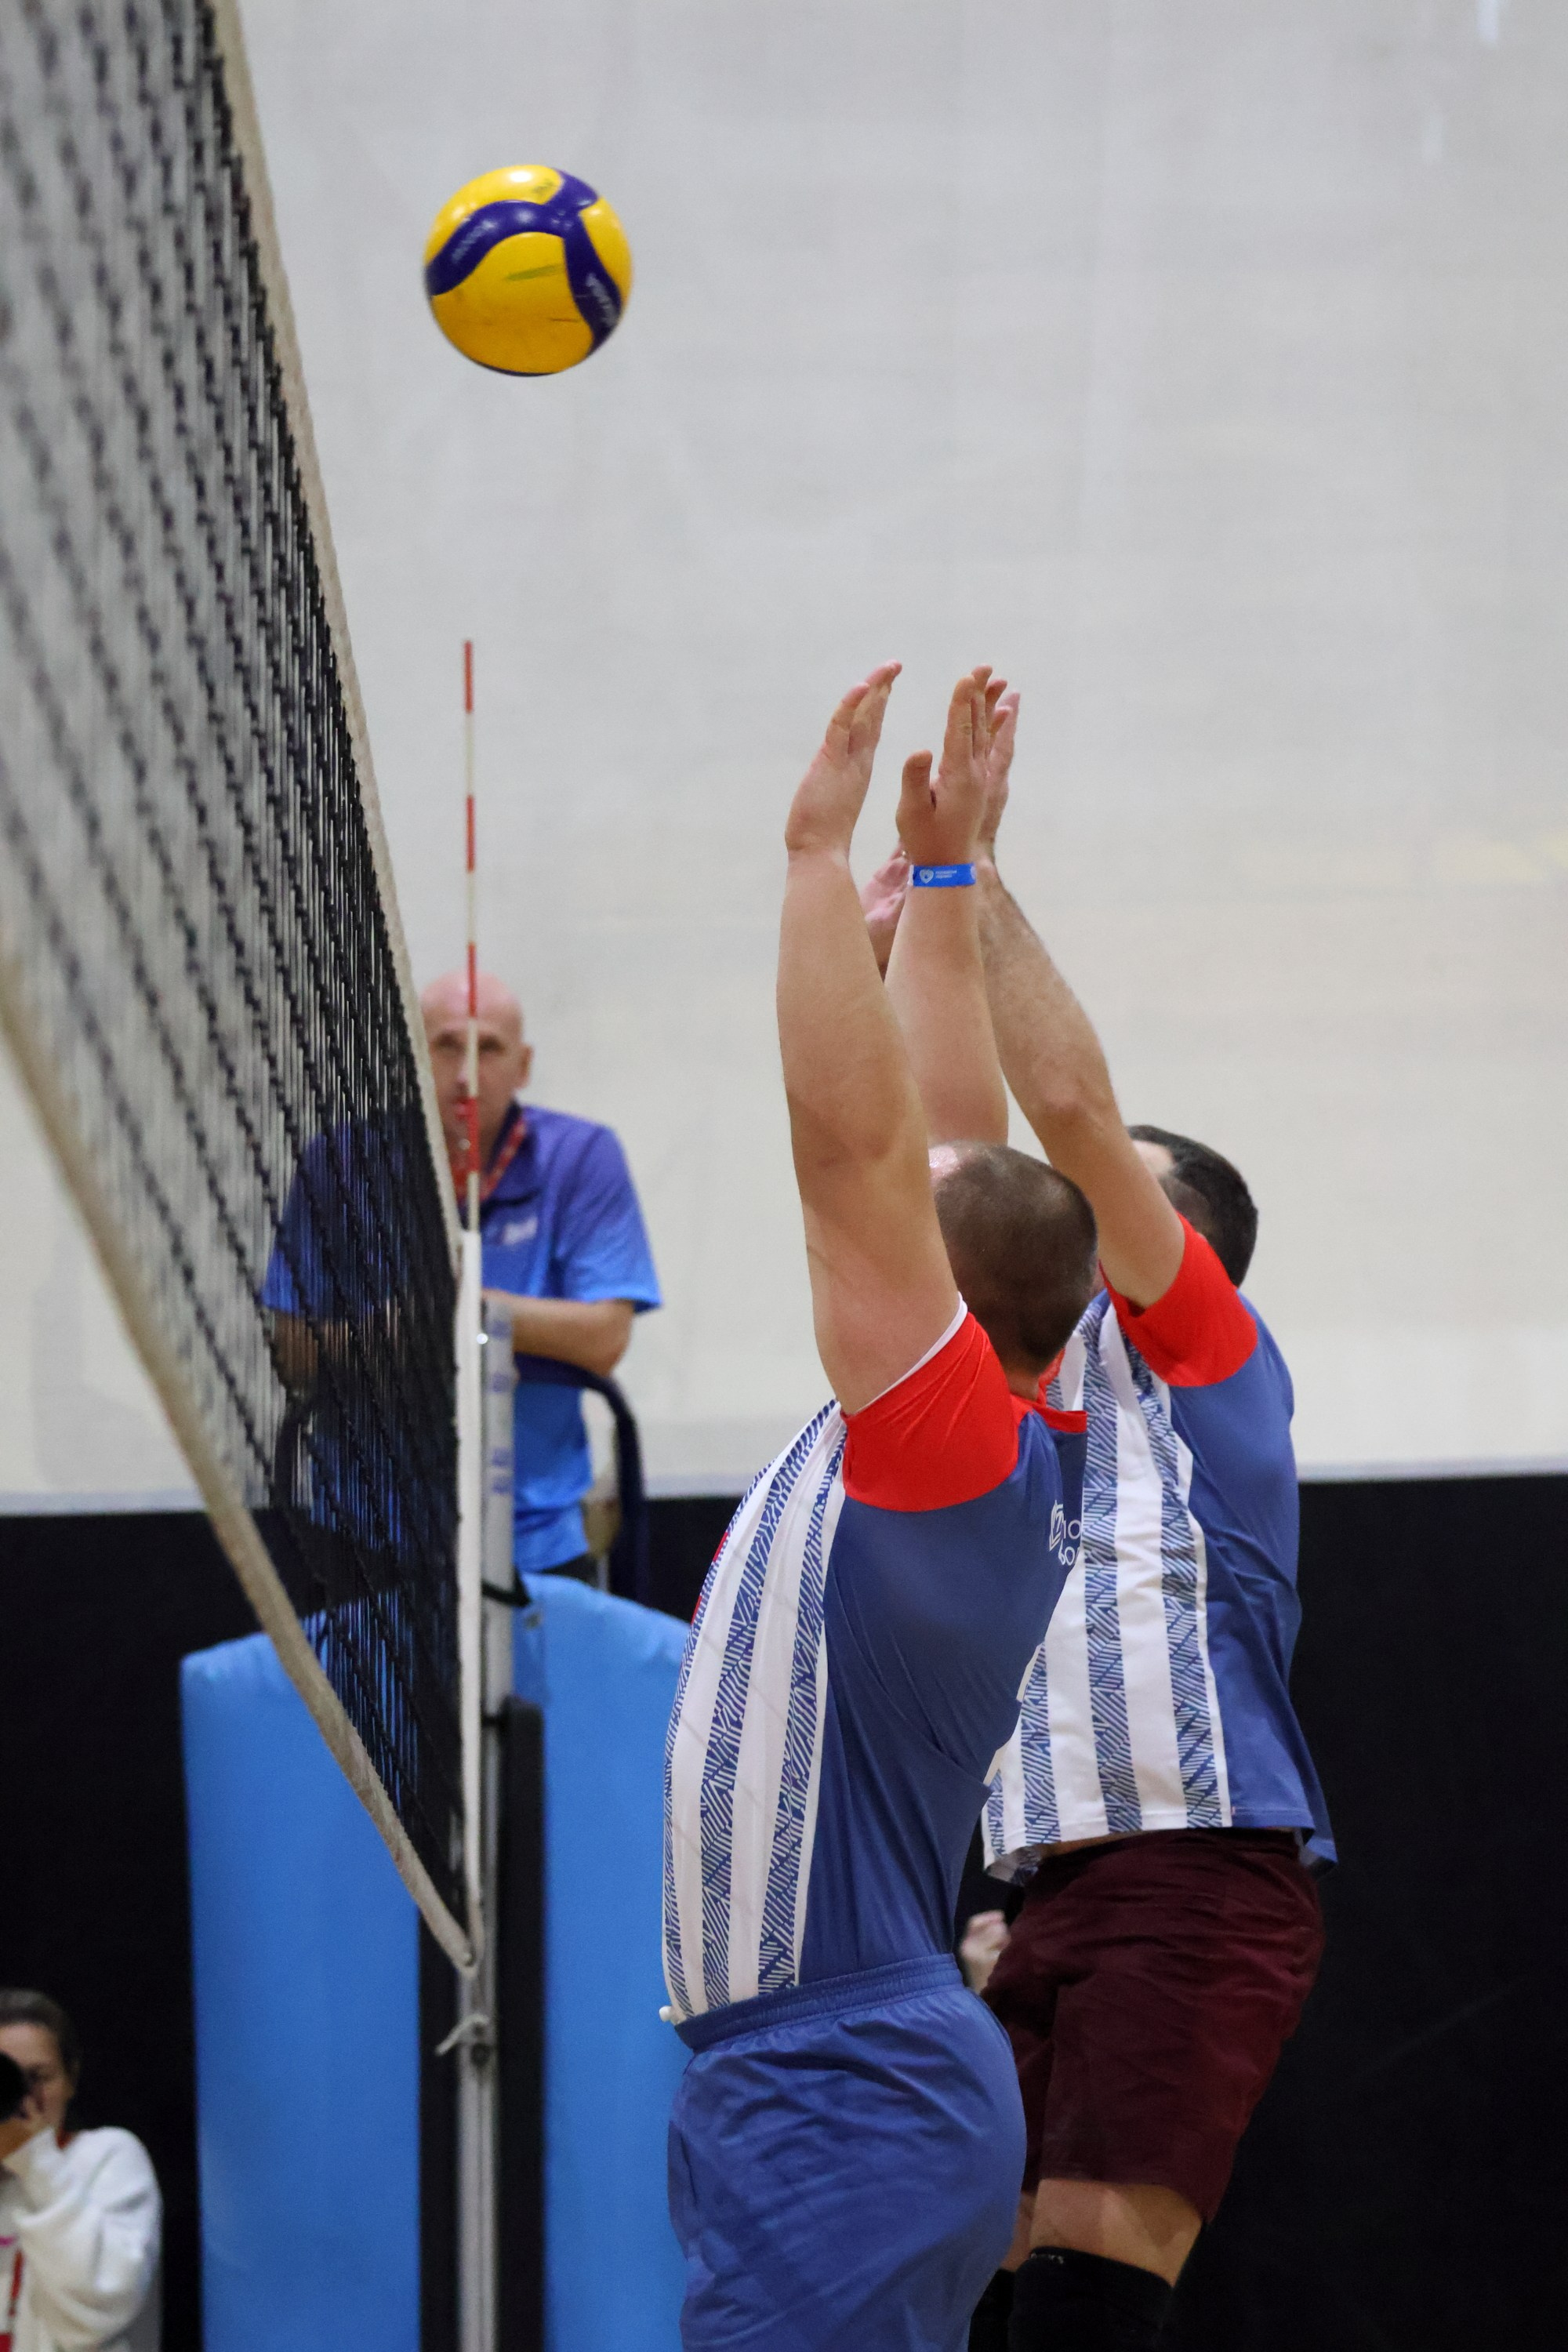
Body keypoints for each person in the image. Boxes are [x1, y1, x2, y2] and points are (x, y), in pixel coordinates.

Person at [869, 692, 1330, 2352]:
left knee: (1075, 2300)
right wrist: (909, 919)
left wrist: (973, 871)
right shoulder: (1029, 1387)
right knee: (971, 2295)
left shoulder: (1202, 1355)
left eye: (1107, 1199)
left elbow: (1055, 1122)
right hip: (1041, 1895)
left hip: (1192, 1876)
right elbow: (953, 1156)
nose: (1064, 1211)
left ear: (1170, 1232)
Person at [662, 663, 1098, 2352]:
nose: (909, 1175)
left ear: (959, 1306)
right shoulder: (984, 1418)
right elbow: (949, 1144)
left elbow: (859, 1158)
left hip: (836, 2079)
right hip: (837, 2073)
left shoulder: (952, 1442)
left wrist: (805, 855)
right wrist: (935, 880)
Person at [420, 971, 660, 1580]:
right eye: (447, 1045)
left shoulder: (582, 1156)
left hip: (541, 1539)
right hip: (379, 1541)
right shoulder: (345, 1164)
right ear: (411, 1055)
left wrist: (454, 1310)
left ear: (523, 1066)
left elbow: (605, 1336)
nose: (468, 1075)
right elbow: (297, 1347)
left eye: (489, 1048)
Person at [0, 1991, 160, 2352]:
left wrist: (35, 2160)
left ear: (71, 2078)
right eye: (5, 2077)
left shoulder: (108, 2155)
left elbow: (94, 2316)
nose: (22, 2095)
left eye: (37, 2076)